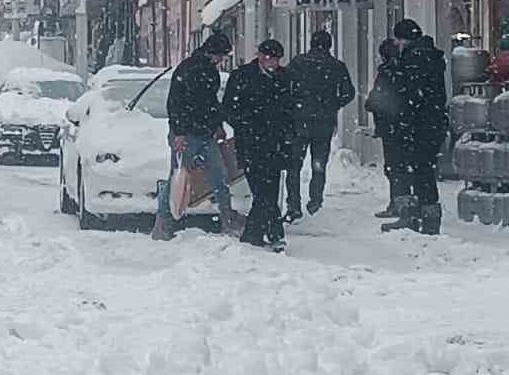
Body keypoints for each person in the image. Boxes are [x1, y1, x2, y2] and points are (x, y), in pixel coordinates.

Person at [152, 30, 238, 241]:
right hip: (187, 134)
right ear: (212, 53)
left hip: (204, 133)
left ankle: (226, 218)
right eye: (221, 56)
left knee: (214, 176)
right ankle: (163, 221)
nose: (221, 60)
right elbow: (176, 104)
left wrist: (217, 125)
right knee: (181, 177)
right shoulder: (189, 69)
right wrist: (180, 133)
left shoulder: (206, 70)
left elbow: (209, 103)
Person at [221, 39, 297, 251]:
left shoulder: (284, 77)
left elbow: (290, 108)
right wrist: (246, 125)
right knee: (262, 191)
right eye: (269, 59)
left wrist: (289, 132)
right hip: (251, 144)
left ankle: (268, 234)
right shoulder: (243, 76)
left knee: (269, 191)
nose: (273, 63)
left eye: (276, 60)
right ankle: (261, 234)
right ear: (260, 56)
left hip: (276, 144)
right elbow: (229, 108)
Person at [382, 18, 448, 235]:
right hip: (431, 123)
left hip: (420, 124)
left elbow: (410, 93)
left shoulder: (415, 58)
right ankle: (424, 215)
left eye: (398, 40)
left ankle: (422, 218)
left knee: (418, 170)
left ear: (404, 40)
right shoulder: (429, 56)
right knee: (422, 169)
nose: (396, 44)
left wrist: (402, 117)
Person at [283, 28, 357, 220]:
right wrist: (333, 104)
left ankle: (293, 204)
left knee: (293, 165)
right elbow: (349, 93)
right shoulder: (336, 66)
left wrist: (293, 105)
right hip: (324, 123)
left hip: (299, 121)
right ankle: (315, 199)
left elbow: (283, 86)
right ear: (329, 45)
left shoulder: (298, 63)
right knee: (319, 163)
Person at [364, 38, 407, 218]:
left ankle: (398, 203)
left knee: (394, 167)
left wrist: (372, 103)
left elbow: (376, 100)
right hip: (403, 126)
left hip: (390, 127)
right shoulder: (405, 71)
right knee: (401, 166)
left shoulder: (386, 73)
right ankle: (403, 202)